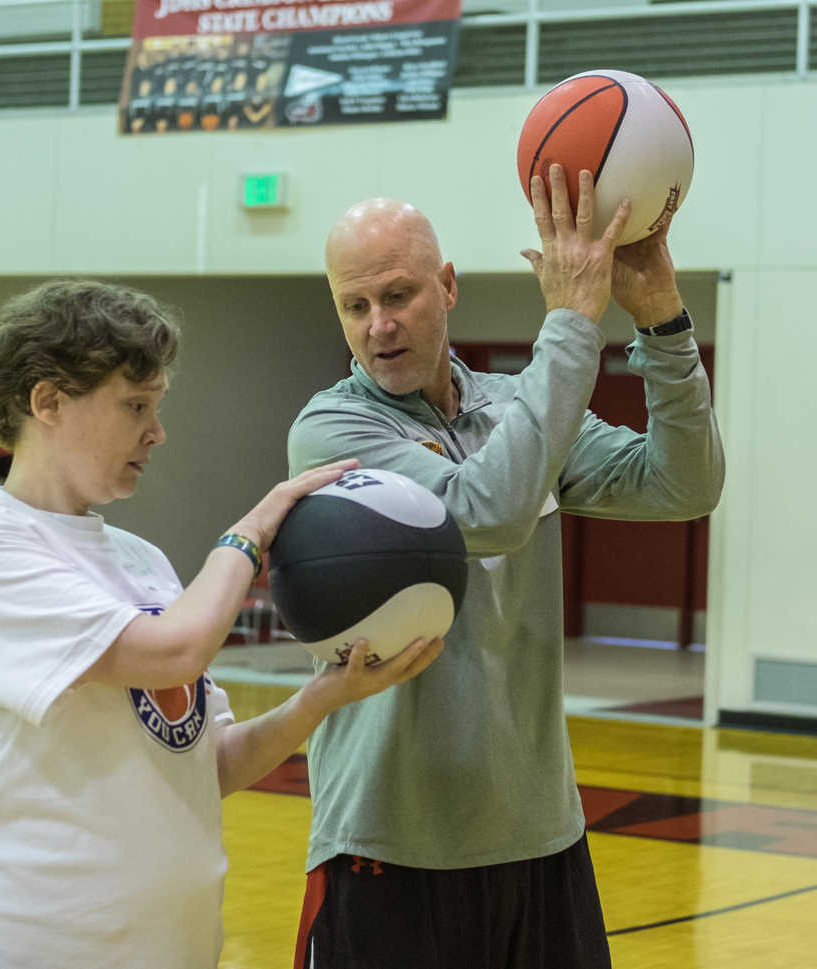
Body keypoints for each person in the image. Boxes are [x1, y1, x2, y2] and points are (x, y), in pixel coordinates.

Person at [0, 279, 442, 969]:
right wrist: (249, 534)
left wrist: (323, 697)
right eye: (135, 406)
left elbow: (208, 762)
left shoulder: (143, 562)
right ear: (47, 401)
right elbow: (175, 652)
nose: (156, 431)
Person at [288, 166, 725, 969]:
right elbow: (485, 512)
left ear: (448, 287)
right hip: (393, 844)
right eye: (356, 306)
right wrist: (569, 322)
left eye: (398, 295)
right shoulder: (332, 428)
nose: (378, 325)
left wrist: (661, 318)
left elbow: (684, 483)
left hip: (540, 837)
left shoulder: (516, 406)